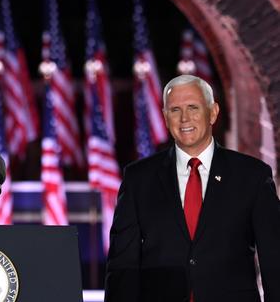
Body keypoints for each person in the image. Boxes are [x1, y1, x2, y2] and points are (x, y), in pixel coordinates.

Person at [105, 75, 280, 302]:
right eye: (175, 110)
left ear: (213, 113)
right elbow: (122, 266)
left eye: (193, 107)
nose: (184, 118)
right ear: (166, 118)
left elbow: (274, 261)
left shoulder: (252, 176)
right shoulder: (138, 179)